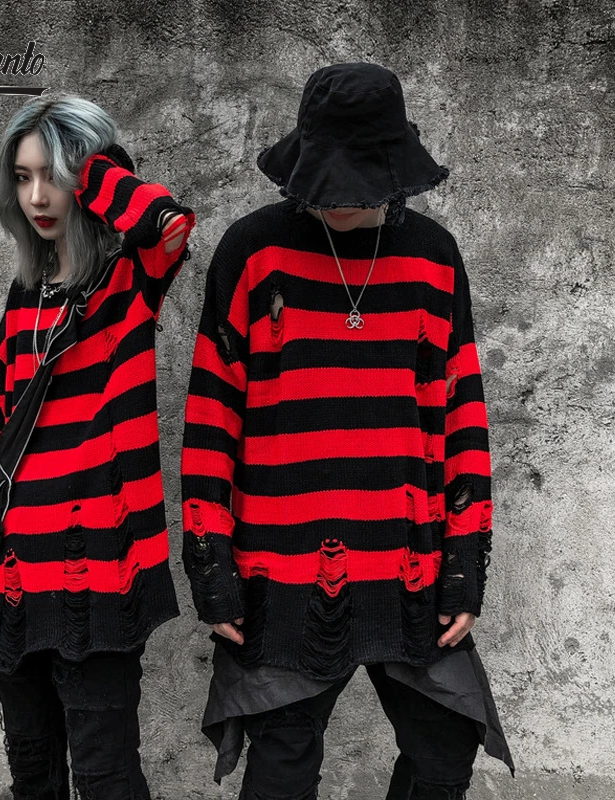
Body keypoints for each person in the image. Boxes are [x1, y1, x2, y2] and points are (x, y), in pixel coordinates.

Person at [181, 63, 513, 800]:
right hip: (280, 563)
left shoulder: (434, 257)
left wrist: (465, 563)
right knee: (283, 764)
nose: (343, 202)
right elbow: (209, 422)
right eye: (330, 184)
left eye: (360, 185)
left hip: (411, 561)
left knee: (445, 748)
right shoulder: (252, 250)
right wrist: (211, 566)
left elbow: (462, 416)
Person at [0, 94, 194, 800]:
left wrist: (93, 165)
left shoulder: (133, 279)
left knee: (106, 777)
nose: (37, 196)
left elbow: (168, 220)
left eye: (55, 175)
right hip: (10, 571)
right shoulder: (25, 294)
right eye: (22, 177)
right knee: (32, 771)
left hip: (99, 569)